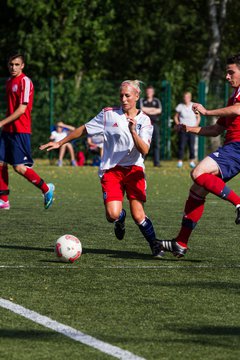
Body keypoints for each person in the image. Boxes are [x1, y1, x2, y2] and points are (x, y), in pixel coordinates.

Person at [40, 80, 164, 259]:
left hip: (134, 170)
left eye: (127, 95)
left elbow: (144, 150)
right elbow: (84, 129)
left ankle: (155, 245)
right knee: (112, 215)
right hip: (111, 170)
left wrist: (133, 131)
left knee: (138, 216)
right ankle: (120, 219)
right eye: (121, 95)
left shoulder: (145, 121)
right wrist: (60, 142)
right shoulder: (108, 114)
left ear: (137, 96)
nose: (123, 99)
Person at [159, 53, 240, 258]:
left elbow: (238, 110)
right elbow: (215, 130)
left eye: (231, 72)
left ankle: (239, 203)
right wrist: (189, 129)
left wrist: (206, 110)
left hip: (237, 147)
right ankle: (180, 243)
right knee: (197, 190)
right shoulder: (233, 97)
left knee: (198, 172)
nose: (227, 77)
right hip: (232, 146)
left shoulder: (237, 100)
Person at [0, 52, 54, 210]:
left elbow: (22, 109)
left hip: (20, 130)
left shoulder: (25, 81)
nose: (13, 67)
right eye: (11, 64)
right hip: (7, 130)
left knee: (19, 167)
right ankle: (4, 200)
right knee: (0, 162)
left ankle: (46, 189)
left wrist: (1, 122)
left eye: (17, 64)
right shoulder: (9, 82)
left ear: (22, 66)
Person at [174, 91, 201, 168]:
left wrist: (196, 126)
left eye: (188, 97)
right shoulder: (180, 106)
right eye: (185, 97)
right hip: (183, 129)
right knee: (181, 145)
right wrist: (178, 124)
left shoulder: (193, 106)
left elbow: (198, 117)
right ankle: (180, 161)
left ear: (190, 98)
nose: (186, 99)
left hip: (192, 129)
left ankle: (191, 161)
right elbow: (176, 117)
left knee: (191, 145)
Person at [140, 85, 162, 167]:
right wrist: (153, 110)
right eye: (148, 91)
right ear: (146, 92)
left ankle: (156, 163)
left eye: (150, 91)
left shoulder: (156, 101)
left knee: (156, 143)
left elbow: (159, 110)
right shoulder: (142, 100)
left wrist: (148, 111)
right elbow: (142, 109)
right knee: (143, 143)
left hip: (154, 124)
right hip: (144, 125)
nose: (149, 93)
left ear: (153, 93)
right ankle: (141, 162)